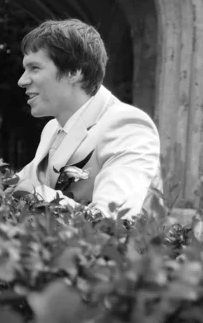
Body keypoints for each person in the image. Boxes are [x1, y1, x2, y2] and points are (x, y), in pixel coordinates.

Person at [14, 19, 161, 218]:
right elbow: (17, 184)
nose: (22, 81)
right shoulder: (52, 128)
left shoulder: (128, 125)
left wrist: (36, 194)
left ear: (73, 72)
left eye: (35, 68)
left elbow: (112, 220)